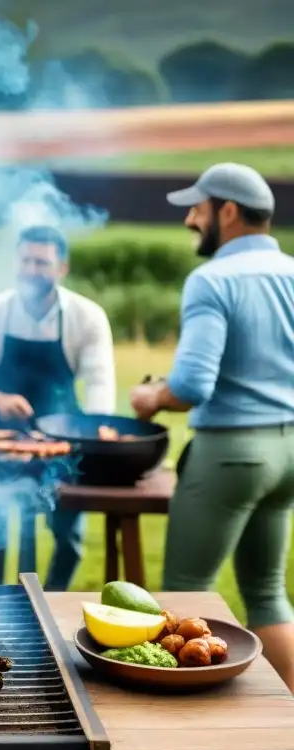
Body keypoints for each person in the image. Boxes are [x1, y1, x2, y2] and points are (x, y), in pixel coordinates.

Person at [130, 162, 294, 693]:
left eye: (197, 209)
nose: (189, 220)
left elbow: (192, 383)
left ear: (228, 211)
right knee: (268, 593)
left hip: (231, 455)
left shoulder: (213, 279)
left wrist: (151, 396)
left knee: (186, 596)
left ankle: (183, 740)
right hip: (288, 451)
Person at [0, 225, 116, 590]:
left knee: (70, 538)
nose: (32, 269)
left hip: (62, 442)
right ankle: (0, 597)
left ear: (61, 268)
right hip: (0, 442)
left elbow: (99, 381)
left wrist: (97, 430)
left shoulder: (86, 317)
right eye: (27, 260)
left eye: (42, 262)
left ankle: (52, 599)